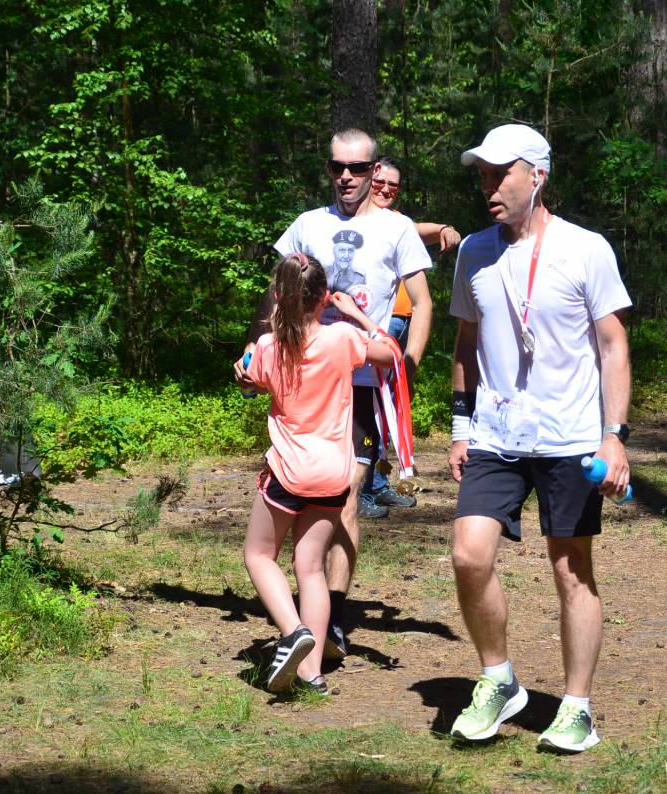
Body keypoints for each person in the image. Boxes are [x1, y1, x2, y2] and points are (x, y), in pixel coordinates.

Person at [446, 124, 632, 753]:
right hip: (495, 434)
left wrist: (614, 437)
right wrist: (460, 427)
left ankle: (577, 709)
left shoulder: (585, 248)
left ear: (538, 176)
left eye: (500, 174)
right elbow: (466, 343)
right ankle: (499, 680)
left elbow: (613, 346)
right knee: (469, 555)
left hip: (570, 436)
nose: (489, 186)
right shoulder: (473, 252)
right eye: (482, 175)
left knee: (570, 570)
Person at [236, 129, 433, 660]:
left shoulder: (397, 228)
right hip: (307, 379)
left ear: (374, 171)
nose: (346, 176)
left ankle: (333, 617)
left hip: (365, 380)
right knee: (306, 487)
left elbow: (421, 302)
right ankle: (311, 610)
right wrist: (255, 347)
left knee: (347, 491)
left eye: (358, 168)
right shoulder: (308, 224)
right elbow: (276, 289)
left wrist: (406, 366)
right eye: (337, 167)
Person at [239, 252, 397, 694]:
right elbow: (390, 355)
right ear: (324, 297)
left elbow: (251, 381)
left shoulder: (269, 346)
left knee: (259, 556)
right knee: (310, 569)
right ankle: (312, 677)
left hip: (288, 471)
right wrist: (358, 315)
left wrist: (244, 373)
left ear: (278, 297)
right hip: (333, 474)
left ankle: (294, 632)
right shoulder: (343, 338)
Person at [359, 155, 463, 516]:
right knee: (370, 406)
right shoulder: (356, 223)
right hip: (378, 325)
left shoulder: (396, 223)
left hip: (402, 324)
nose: (386, 189)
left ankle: (377, 484)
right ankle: (360, 491)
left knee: (391, 406)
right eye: (380, 182)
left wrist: (446, 228)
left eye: (394, 185)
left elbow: (422, 230)